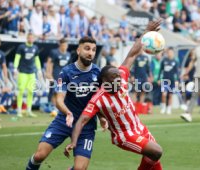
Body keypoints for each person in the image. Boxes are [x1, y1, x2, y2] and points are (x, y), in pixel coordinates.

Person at [64, 20, 163, 170]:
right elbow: (81, 121)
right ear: (104, 81)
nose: (119, 78)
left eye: (118, 75)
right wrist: (74, 142)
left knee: (153, 159)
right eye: (114, 77)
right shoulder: (98, 98)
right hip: (124, 136)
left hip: (139, 128)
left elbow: (132, 54)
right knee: (157, 151)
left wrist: (146, 32)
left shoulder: (121, 76)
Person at [26, 36, 105, 170]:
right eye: (87, 49)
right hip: (64, 121)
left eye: (93, 50)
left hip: (86, 125)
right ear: (78, 50)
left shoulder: (98, 74)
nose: (90, 52)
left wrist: (102, 117)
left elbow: (99, 100)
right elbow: (59, 99)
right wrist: (67, 112)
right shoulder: (66, 72)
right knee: (39, 155)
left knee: (80, 168)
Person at [14, 33, 42, 118]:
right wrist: (15, 68)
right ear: (27, 38)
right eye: (29, 38)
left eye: (32, 38)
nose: (30, 39)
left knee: (31, 91)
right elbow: (17, 57)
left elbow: (37, 59)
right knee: (21, 90)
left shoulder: (35, 48)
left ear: (33, 39)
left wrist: (39, 69)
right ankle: (19, 110)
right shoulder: (21, 47)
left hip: (32, 73)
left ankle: (29, 111)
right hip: (23, 72)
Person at [45, 38, 71, 114]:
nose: (64, 47)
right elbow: (49, 63)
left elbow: (68, 66)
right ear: (60, 45)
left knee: (63, 92)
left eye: (66, 45)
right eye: (63, 45)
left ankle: (59, 107)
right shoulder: (54, 52)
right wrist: (48, 73)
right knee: (53, 91)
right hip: (54, 75)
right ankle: (52, 107)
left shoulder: (68, 54)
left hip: (64, 76)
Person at [158, 47, 179, 114]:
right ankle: (163, 107)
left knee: (170, 95)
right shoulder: (164, 60)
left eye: (171, 52)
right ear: (167, 53)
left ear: (173, 53)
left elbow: (177, 72)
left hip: (172, 80)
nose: (170, 54)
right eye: (168, 52)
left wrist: (177, 80)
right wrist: (158, 79)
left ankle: (169, 108)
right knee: (164, 94)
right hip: (165, 80)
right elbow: (160, 70)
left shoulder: (175, 61)